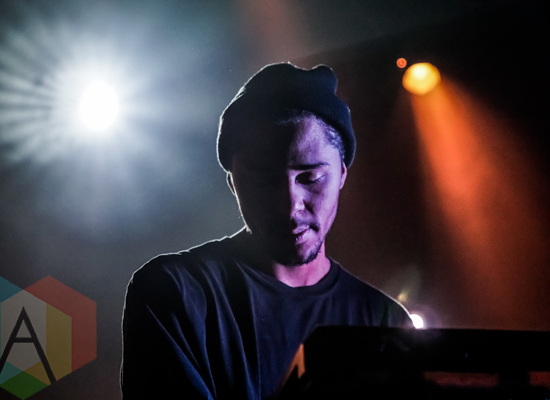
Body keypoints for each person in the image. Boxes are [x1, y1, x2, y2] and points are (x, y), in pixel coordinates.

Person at [121, 63, 411, 399]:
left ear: (342, 174)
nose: (290, 206)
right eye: (263, 179)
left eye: (310, 177)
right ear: (233, 183)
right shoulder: (174, 292)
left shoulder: (385, 321)